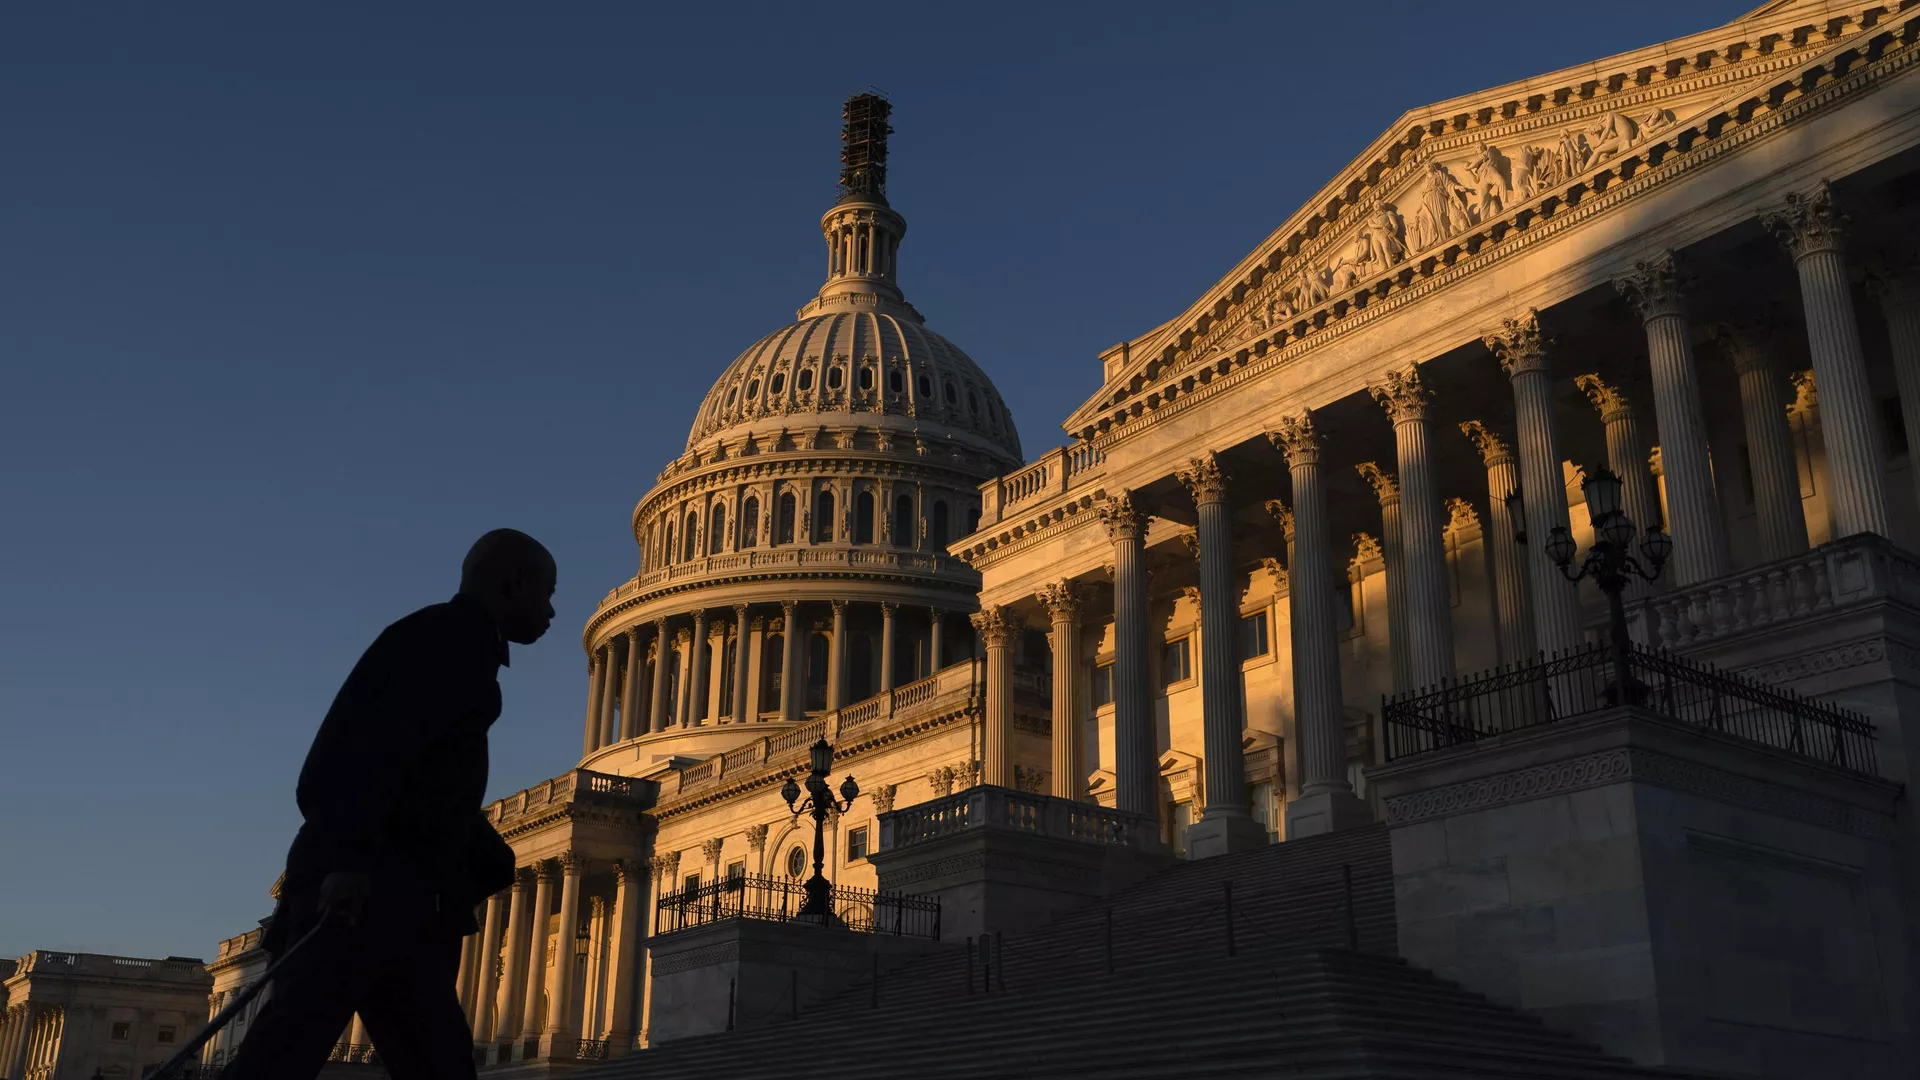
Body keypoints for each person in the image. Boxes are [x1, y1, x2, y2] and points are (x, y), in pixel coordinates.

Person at [222, 529, 557, 1080]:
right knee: (283, 1055)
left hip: (406, 901)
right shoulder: (444, 645)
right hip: (369, 894)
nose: (550, 611)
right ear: (512, 583)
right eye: (546, 592)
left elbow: (425, 788)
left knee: (431, 1062)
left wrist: (485, 856)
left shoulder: (452, 645)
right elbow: (353, 758)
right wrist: (350, 861)